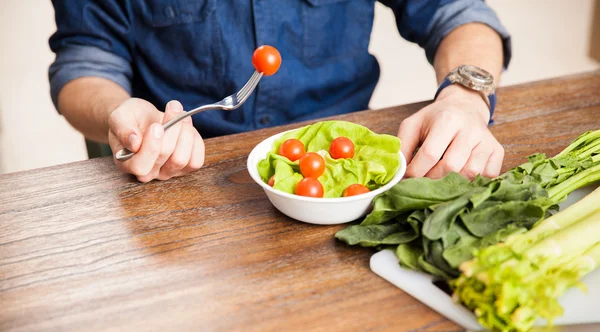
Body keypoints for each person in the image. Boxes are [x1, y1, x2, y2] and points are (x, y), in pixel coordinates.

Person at [49, 1, 511, 183]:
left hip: (346, 170)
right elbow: (85, 63)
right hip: (181, 178)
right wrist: (122, 110)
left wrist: (465, 97)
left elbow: (457, 14)